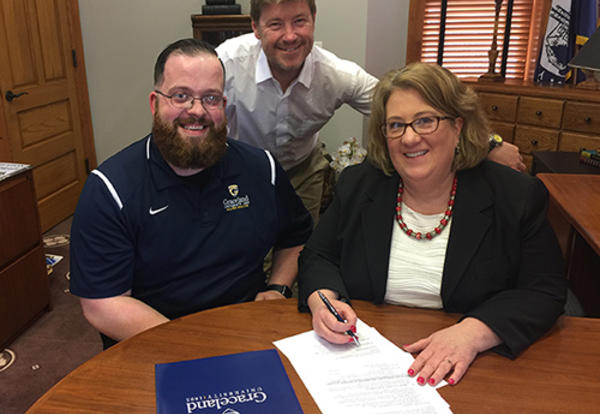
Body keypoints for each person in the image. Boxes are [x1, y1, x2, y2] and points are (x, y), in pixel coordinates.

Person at [298, 62, 566, 386]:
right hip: (364, 362)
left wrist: (472, 332)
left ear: (458, 126)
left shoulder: (516, 196)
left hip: (477, 369)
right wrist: (324, 301)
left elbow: (544, 291)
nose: (409, 138)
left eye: (425, 121)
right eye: (396, 125)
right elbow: (318, 255)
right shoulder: (360, 185)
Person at [69, 39, 312, 349]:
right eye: (181, 96)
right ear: (154, 103)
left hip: (248, 333)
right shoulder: (109, 189)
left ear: (223, 107)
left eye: (210, 98)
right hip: (153, 343)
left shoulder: (261, 168)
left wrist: (278, 288)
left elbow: (296, 237)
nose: (197, 111)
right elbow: (102, 303)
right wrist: (194, 346)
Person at [216, 0, 526, 224]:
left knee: (299, 246)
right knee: (245, 247)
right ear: (255, 27)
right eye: (275, 24)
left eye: (299, 21)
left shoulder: (336, 74)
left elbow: (411, 105)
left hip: (301, 169)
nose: (290, 35)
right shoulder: (224, 64)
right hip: (240, 170)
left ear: (313, 19)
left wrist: (490, 143)